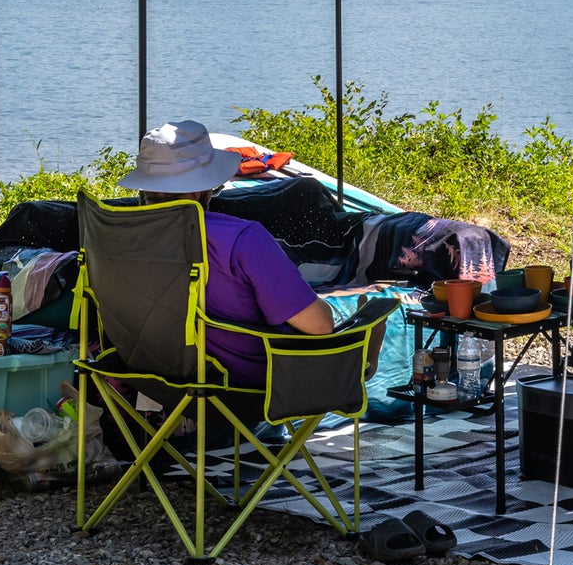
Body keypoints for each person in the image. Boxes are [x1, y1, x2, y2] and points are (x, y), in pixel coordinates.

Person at [117, 120, 390, 388]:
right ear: (203, 189)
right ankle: (360, 358)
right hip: (246, 381)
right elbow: (319, 326)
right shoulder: (241, 238)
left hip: (149, 374)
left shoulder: (119, 232)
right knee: (363, 313)